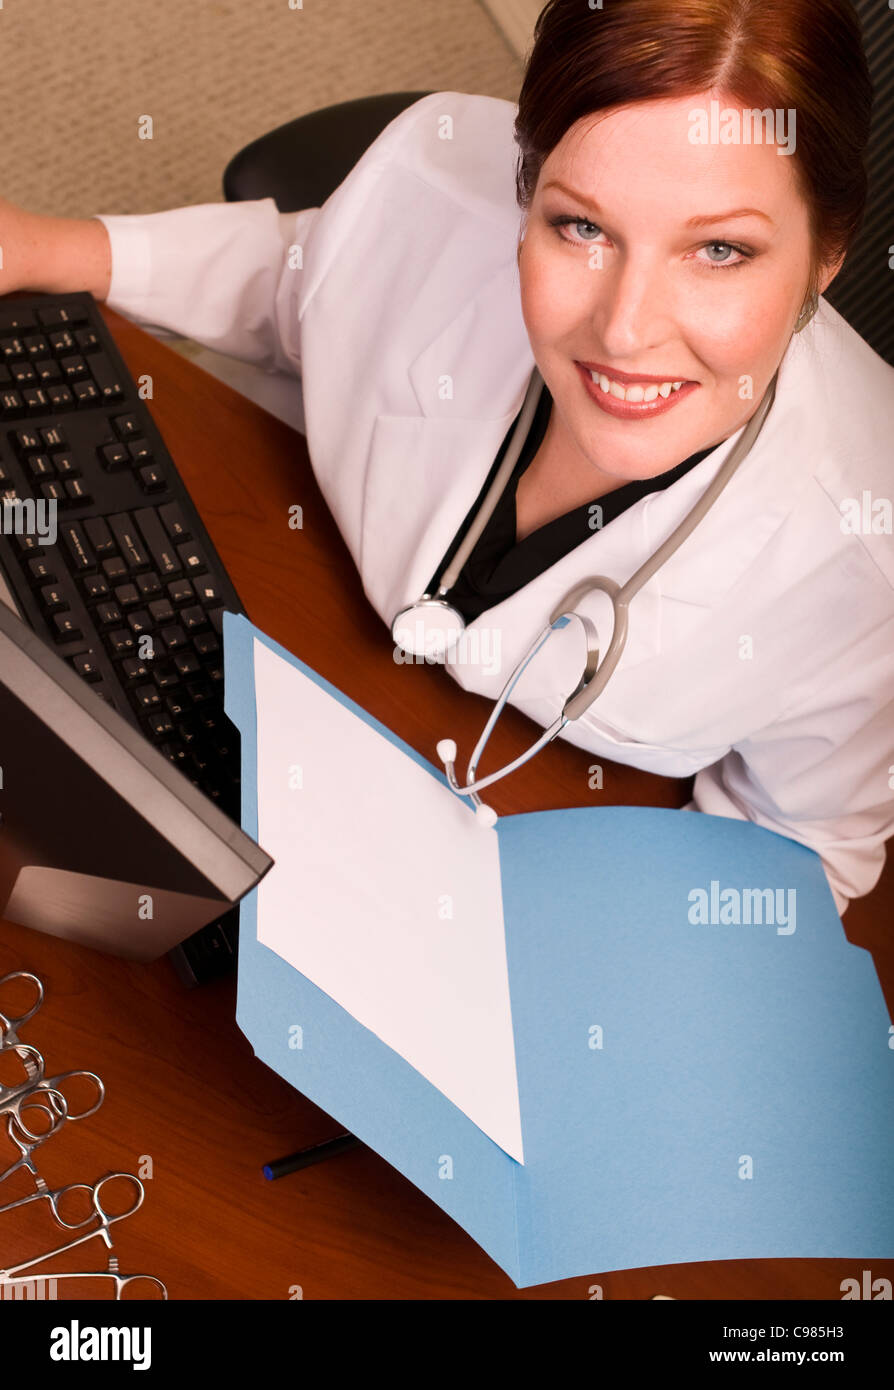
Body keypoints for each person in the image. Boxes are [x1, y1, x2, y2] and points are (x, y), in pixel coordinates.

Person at [2, 0, 891, 915]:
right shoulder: (435, 181)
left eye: (718, 250)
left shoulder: (866, 566)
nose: (624, 329)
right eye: (581, 227)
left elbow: (806, 846)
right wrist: (49, 244)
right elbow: (299, 280)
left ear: (826, 254)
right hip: (276, 614)